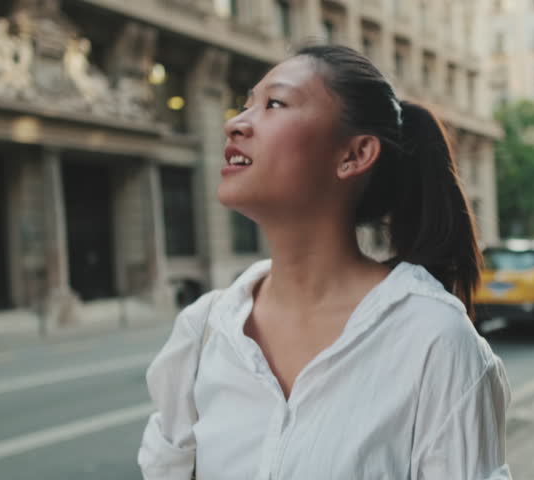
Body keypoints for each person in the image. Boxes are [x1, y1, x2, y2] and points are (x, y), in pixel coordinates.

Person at [138, 45, 513, 479]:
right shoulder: (203, 331)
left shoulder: (435, 341)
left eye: (274, 104)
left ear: (354, 154)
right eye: (246, 105)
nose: (235, 123)